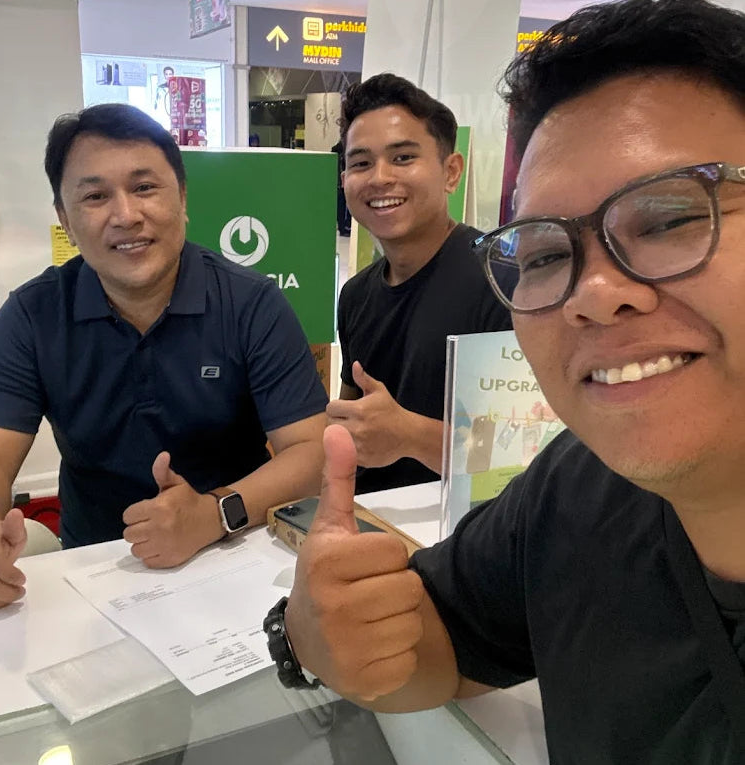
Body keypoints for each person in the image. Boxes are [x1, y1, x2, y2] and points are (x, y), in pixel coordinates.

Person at [278, 1, 745, 762]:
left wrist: (412, 437)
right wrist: (319, 630)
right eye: (546, 255)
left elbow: (504, 445)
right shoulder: (576, 493)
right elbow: (439, 641)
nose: (595, 292)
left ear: (450, 170)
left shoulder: (476, 289)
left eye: (667, 219)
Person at [0, 103, 327, 612]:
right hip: (95, 569)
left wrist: (213, 514)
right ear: (65, 220)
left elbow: (312, 452)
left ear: (182, 198)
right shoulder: (33, 315)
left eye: (144, 187)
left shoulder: (251, 303)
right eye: (95, 196)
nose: (126, 215)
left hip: (239, 551)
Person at [326, 74, 512, 494]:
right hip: (368, 517)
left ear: (451, 172)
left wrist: (409, 435)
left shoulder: (504, 281)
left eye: (403, 158)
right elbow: (348, 425)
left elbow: (524, 454)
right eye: (360, 163)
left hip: (471, 524)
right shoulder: (355, 295)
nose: (379, 178)